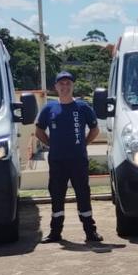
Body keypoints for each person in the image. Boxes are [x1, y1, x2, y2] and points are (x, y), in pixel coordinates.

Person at [35, 71, 103, 243]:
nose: (65, 87)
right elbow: (39, 131)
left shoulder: (82, 107)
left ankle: (90, 232)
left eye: (68, 84)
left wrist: (83, 144)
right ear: (56, 87)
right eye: (61, 84)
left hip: (78, 160)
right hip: (57, 161)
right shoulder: (49, 108)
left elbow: (95, 130)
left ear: (73, 86)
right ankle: (55, 232)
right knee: (57, 196)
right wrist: (52, 144)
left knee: (83, 194)